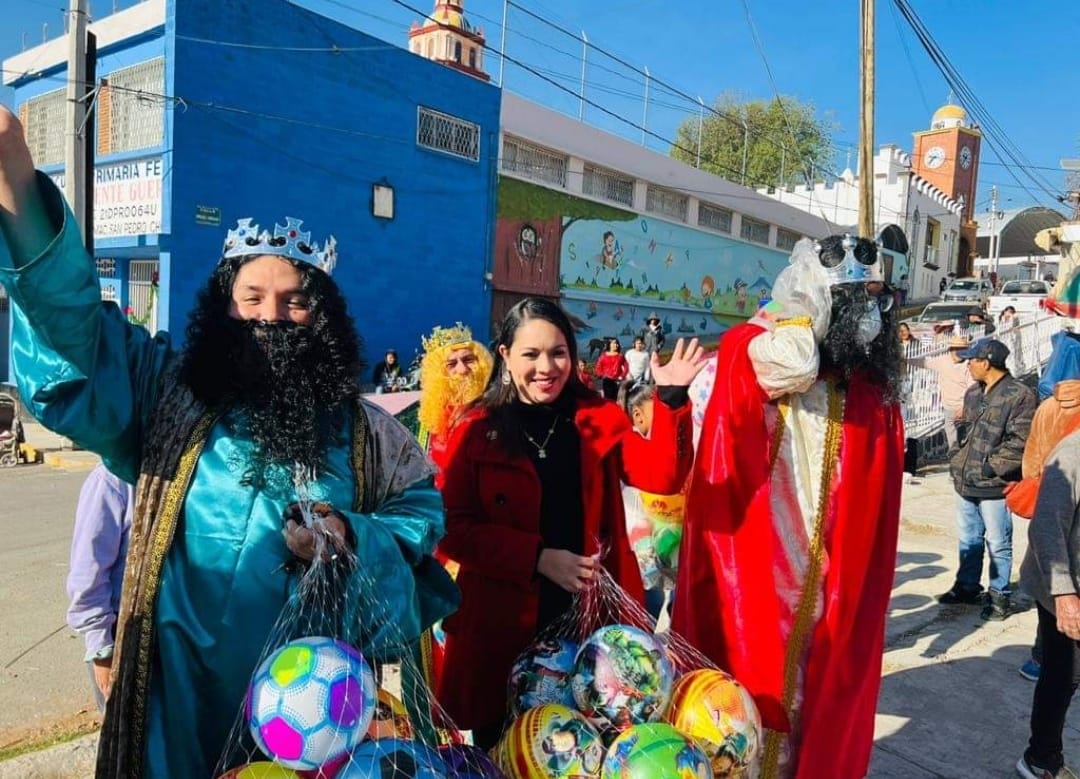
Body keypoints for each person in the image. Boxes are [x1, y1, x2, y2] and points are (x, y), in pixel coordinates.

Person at [0, 105, 456, 778]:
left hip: (312, 724)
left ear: (322, 317)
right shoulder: (165, 395)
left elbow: (421, 524)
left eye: (295, 301)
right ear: (224, 306)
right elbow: (80, 340)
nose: (271, 318)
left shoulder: (370, 438)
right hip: (175, 711)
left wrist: (350, 534)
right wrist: (16, 186)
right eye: (251, 299)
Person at [673, 234, 906, 778]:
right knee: (755, 696)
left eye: (878, 298)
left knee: (818, 696)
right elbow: (792, 364)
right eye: (861, 298)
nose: (874, 313)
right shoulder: (763, 347)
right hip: (761, 570)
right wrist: (800, 305)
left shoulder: (869, 391)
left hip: (834, 578)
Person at [436, 297, 705, 748]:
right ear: (504, 356)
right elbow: (453, 529)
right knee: (505, 749)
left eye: (558, 353)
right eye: (531, 354)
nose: (547, 367)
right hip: (501, 629)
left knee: (587, 751)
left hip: (589, 623)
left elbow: (661, 474)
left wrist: (672, 399)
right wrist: (537, 558)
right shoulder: (477, 430)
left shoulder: (595, 417)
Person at [940, 338, 1035, 621]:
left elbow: (1020, 441)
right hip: (964, 480)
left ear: (986, 361)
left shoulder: (1020, 395)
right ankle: (967, 586)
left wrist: (990, 469)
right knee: (969, 538)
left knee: (998, 540)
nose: (967, 364)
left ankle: (999, 595)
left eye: (972, 360)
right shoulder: (973, 392)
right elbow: (963, 430)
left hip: (994, 485)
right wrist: (957, 457)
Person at [1016, 430, 1080, 779]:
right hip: (1063, 587)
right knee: (1063, 675)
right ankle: (1040, 758)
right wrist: (1064, 595)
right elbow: (1046, 527)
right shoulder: (1074, 450)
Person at [1015, 378, 1080, 684]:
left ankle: (1040, 657)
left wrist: (1031, 481)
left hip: (1047, 499)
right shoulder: (1074, 447)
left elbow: (1029, 453)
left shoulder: (1044, 405)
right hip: (1064, 558)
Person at [66, 464, 134, 713]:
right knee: (122, 734)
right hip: (119, 634)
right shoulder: (111, 481)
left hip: (172, 633)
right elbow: (88, 572)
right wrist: (102, 648)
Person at [617, 378, 685, 620]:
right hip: (644, 542)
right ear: (638, 415)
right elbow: (666, 474)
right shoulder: (630, 444)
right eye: (662, 412)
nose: (670, 421)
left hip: (666, 535)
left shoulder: (639, 443)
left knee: (668, 592)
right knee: (654, 597)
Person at [416, 322, 493, 481]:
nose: (463, 370)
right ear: (436, 372)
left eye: (469, 360)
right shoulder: (418, 421)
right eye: (451, 364)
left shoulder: (499, 408)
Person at [907, 334, 975, 453]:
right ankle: (955, 457)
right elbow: (925, 362)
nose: (959, 352)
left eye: (963, 349)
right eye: (957, 349)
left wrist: (964, 407)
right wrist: (906, 361)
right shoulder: (943, 361)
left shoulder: (968, 365)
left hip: (964, 407)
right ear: (951, 349)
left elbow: (973, 389)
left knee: (967, 437)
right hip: (949, 408)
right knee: (952, 438)